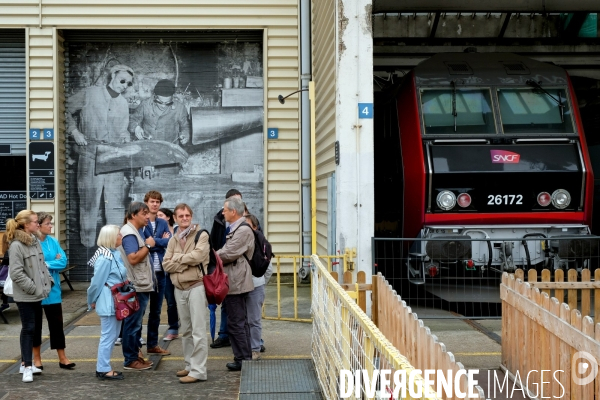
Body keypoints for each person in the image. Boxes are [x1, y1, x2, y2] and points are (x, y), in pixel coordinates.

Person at [66, 64, 135, 248]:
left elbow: (123, 130)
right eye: (122, 81)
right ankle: (87, 247)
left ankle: (113, 247)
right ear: (112, 76)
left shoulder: (123, 103)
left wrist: (126, 136)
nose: (125, 86)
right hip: (90, 156)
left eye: (128, 83)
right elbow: (62, 109)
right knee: (89, 203)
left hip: (114, 159)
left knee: (114, 205)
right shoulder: (90, 93)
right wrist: (74, 132)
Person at [163, 203, 209, 383]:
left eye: (187, 216)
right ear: (174, 218)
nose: (184, 219)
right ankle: (189, 365)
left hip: (196, 286)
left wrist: (177, 259)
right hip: (179, 289)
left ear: (191, 216)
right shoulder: (173, 239)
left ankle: (199, 371)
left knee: (198, 331)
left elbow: (198, 257)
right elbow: (166, 264)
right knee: (186, 331)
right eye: (180, 216)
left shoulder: (201, 235)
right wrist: (184, 262)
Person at [7, 210, 53, 382]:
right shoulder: (17, 245)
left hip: (38, 294)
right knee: (28, 328)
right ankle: (27, 366)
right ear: (26, 225)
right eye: (35, 222)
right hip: (26, 295)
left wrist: (48, 283)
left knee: (34, 329)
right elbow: (16, 273)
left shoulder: (35, 241)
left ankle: (26, 364)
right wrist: (34, 288)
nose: (37, 224)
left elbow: (42, 267)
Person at [217, 196, 255, 371]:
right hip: (235, 279)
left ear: (233, 212)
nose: (222, 212)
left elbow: (228, 253)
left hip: (237, 281)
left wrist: (211, 256)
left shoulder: (243, 230)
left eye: (225, 209)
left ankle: (243, 359)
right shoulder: (237, 228)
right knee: (237, 321)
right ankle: (242, 357)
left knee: (237, 322)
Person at [33, 212, 75, 370]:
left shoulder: (53, 241)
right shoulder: (32, 242)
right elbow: (34, 264)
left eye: (51, 223)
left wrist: (47, 263)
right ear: (38, 225)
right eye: (48, 223)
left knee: (57, 325)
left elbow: (63, 261)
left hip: (53, 289)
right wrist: (52, 262)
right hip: (36, 290)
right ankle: (36, 359)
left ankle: (62, 357)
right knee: (35, 325)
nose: (51, 226)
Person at [87, 225, 127, 381]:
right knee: (108, 335)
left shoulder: (113, 253)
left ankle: (104, 367)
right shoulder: (105, 257)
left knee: (113, 335)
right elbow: (96, 283)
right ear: (111, 237)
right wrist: (91, 300)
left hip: (114, 300)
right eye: (119, 235)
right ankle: (103, 368)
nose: (121, 236)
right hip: (109, 300)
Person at [119, 202, 156, 370]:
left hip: (138, 284)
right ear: (133, 215)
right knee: (133, 324)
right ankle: (130, 360)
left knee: (135, 324)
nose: (148, 216)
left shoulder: (134, 232)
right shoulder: (129, 234)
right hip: (136, 286)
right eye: (144, 213)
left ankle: (135, 357)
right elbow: (133, 258)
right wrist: (148, 245)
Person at [209, 188, 242, 349]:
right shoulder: (219, 220)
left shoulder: (246, 220)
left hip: (240, 268)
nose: (239, 204)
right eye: (235, 200)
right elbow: (214, 243)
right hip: (223, 266)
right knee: (224, 300)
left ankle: (253, 340)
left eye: (240, 200)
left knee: (243, 305)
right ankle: (223, 335)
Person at [141, 191, 171, 355]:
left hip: (161, 274)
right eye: (152, 201)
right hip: (145, 273)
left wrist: (154, 242)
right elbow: (142, 243)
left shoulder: (162, 222)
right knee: (140, 310)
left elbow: (169, 241)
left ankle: (152, 344)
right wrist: (158, 241)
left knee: (157, 311)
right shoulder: (142, 221)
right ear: (146, 202)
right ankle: (137, 345)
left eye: (158, 202)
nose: (155, 204)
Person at [244, 214, 273, 360]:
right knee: (240, 320)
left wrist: (260, 282)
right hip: (239, 287)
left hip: (255, 286)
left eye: (248, 226)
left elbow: (268, 269)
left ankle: (254, 349)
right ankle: (243, 348)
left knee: (253, 320)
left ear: (255, 228)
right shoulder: (236, 241)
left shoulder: (261, 244)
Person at [129, 79, 190, 146]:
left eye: (167, 103)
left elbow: (185, 126)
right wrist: (136, 127)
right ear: (155, 96)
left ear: (172, 97)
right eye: (160, 102)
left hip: (170, 146)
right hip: (148, 145)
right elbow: (132, 120)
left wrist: (185, 135)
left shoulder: (180, 107)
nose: (163, 105)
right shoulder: (145, 104)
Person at [157, 207, 179, 341]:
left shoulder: (177, 230)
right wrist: (162, 241)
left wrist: (163, 241)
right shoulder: (158, 231)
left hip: (178, 269)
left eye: (161, 215)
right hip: (165, 272)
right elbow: (151, 244)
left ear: (168, 217)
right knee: (170, 301)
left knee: (184, 300)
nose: (158, 217)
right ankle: (173, 328)